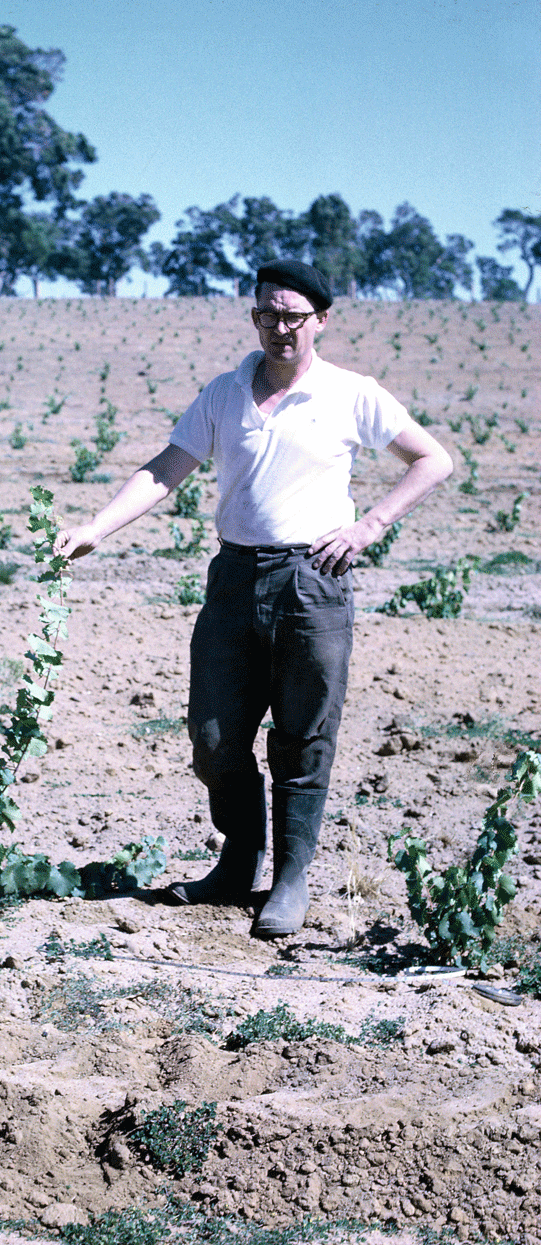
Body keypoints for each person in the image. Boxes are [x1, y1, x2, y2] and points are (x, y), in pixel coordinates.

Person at [56, 259, 453, 938]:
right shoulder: (224, 392)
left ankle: (289, 878)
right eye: (267, 314)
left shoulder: (352, 393)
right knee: (213, 739)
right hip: (234, 580)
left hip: (312, 583)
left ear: (320, 321)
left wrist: (369, 526)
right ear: (255, 319)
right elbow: (166, 469)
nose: (279, 328)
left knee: (302, 740)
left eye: (293, 316)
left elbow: (433, 459)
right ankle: (238, 860)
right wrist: (95, 528)